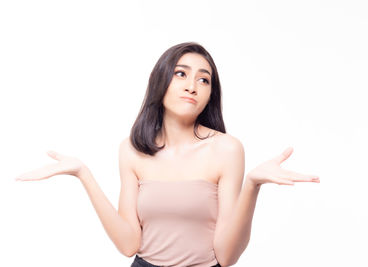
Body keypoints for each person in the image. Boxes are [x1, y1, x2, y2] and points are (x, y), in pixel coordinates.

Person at [15, 42, 320, 267]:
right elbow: (128, 244)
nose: (192, 86)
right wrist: (83, 174)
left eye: (204, 79)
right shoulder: (132, 150)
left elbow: (227, 257)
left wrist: (252, 186)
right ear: (161, 81)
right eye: (181, 74)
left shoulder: (226, 149)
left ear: (210, 94)